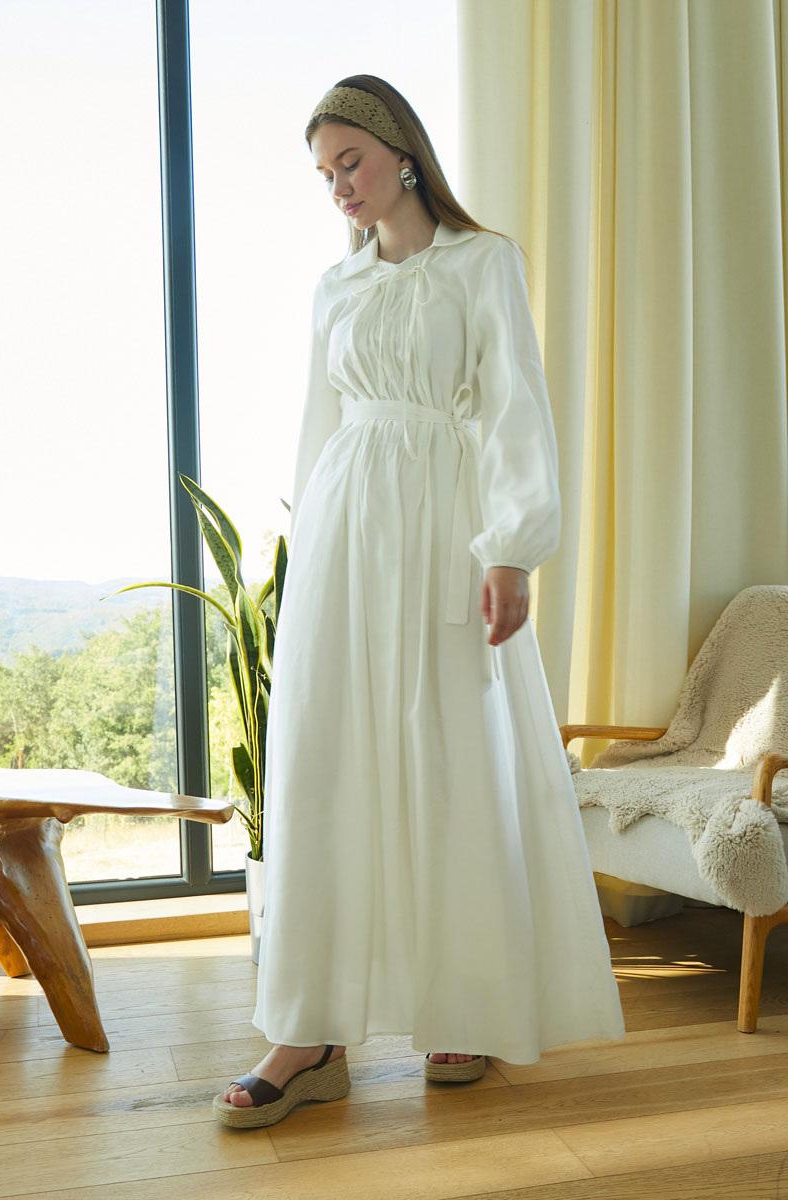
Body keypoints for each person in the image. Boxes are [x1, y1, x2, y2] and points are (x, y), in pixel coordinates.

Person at [213, 74, 625, 1131]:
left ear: (401, 151)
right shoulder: (335, 288)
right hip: (347, 532)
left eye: (348, 161)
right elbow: (320, 429)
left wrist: (511, 551)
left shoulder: (482, 263)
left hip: (446, 526)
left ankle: (465, 1004)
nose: (338, 187)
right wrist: (307, 566)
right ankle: (309, 1034)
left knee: (450, 753)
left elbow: (516, 408)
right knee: (328, 762)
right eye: (323, 173)